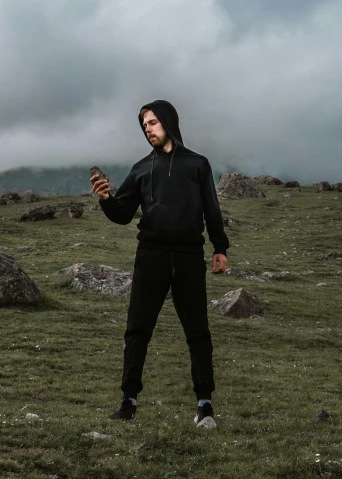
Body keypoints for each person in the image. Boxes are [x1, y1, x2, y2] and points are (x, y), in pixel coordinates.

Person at [90, 100, 229, 427]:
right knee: (137, 330)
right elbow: (123, 214)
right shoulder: (141, 168)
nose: (147, 129)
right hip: (150, 255)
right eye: (144, 125)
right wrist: (107, 199)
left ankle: (205, 405)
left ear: (168, 121)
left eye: (152, 122)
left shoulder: (198, 164)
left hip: (189, 257)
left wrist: (220, 248)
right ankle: (128, 401)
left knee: (198, 332)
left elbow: (211, 208)